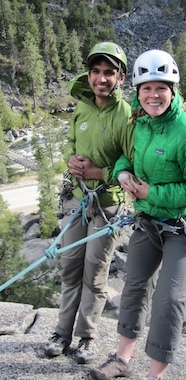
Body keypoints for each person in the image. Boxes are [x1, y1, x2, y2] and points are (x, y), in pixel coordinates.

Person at [90, 49, 186, 379]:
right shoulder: (141, 124)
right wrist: (122, 175)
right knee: (133, 287)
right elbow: (124, 157)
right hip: (147, 223)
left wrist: (149, 193)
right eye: (146, 88)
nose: (153, 95)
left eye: (161, 88)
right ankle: (122, 360)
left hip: (180, 226)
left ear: (172, 91)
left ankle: (155, 375)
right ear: (138, 92)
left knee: (169, 299)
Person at [44, 42, 133, 364]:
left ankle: (87, 336)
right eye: (96, 71)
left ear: (121, 78)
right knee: (69, 267)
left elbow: (131, 163)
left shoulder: (127, 116)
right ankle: (61, 332)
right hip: (78, 198)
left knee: (94, 274)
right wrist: (70, 157)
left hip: (108, 205)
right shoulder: (82, 105)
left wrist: (101, 172)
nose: (101, 78)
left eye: (109, 72)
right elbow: (71, 138)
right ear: (89, 74)